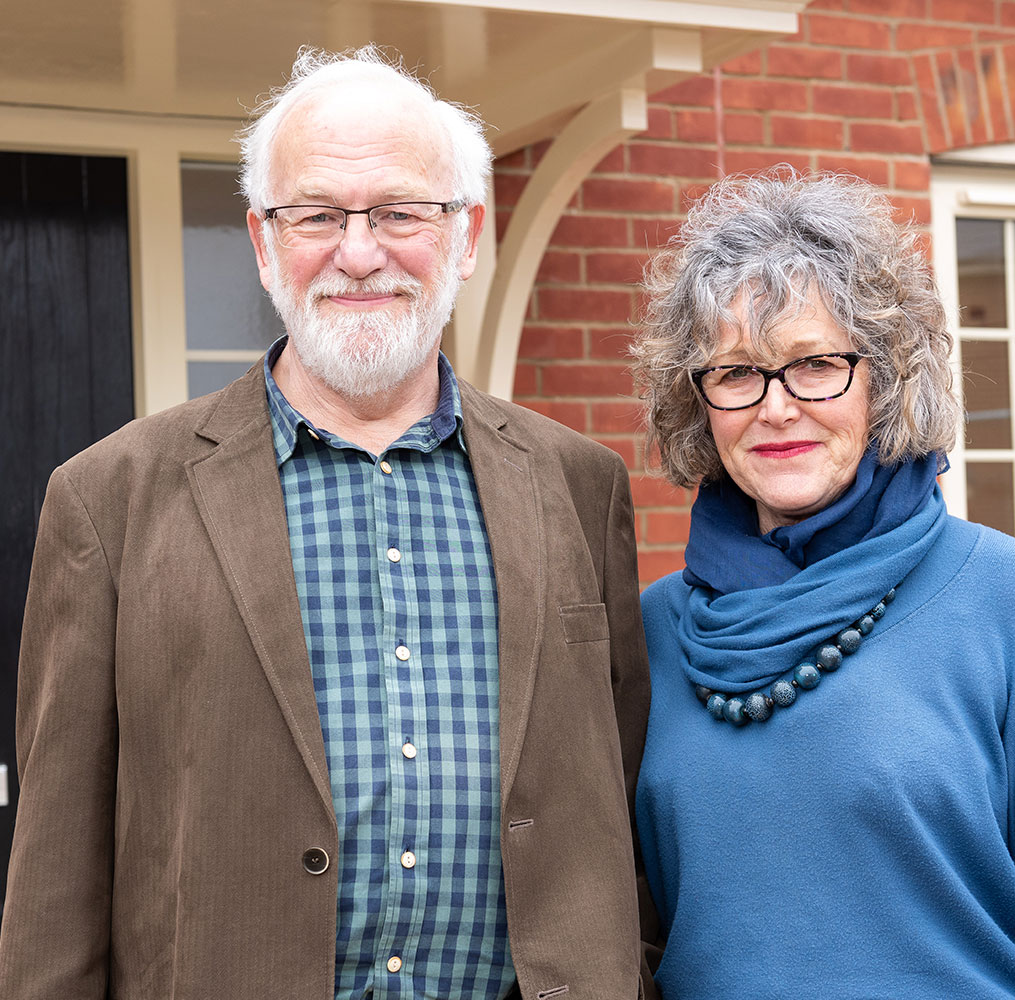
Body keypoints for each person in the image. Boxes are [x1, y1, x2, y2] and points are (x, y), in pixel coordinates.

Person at [0, 46, 654, 1000]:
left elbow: (626, 802)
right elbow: (54, 877)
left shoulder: (581, 486)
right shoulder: (109, 500)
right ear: (265, 243)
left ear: (467, 235)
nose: (358, 253)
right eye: (317, 215)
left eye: (398, 212)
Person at [631, 170, 1015, 999]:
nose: (777, 407)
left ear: (885, 380)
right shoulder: (653, 632)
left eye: (816, 364)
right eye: (736, 372)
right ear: (696, 400)